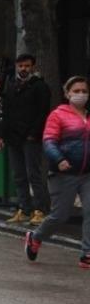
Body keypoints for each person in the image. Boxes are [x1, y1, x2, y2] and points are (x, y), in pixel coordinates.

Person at [25, 76, 90, 268]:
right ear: (67, 93)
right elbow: (49, 141)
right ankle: (35, 237)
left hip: (87, 174)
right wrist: (59, 159)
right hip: (64, 173)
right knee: (60, 215)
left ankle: (87, 253)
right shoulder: (58, 115)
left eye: (84, 91)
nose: (80, 94)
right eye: (76, 91)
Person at [0, 53, 51, 224]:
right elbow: (5, 112)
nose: (23, 69)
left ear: (32, 66)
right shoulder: (11, 85)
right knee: (18, 175)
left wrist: (34, 133)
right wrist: (1, 135)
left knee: (33, 173)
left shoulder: (39, 86)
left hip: (31, 137)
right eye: (21, 66)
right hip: (13, 137)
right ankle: (25, 209)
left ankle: (40, 210)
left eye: (27, 66)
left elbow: (43, 112)